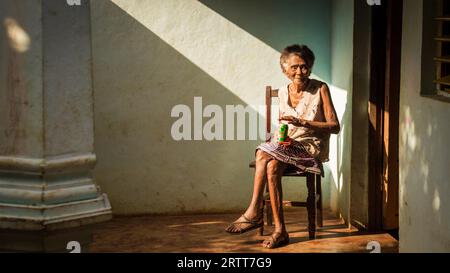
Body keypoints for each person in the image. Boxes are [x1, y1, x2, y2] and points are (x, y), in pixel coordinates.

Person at [225, 44, 340, 249]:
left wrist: (305, 123)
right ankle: (280, 231)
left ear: (310, 68)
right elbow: (285, 128)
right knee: (271, 165)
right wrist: (284, 137)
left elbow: (334, 126)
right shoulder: (283, 92)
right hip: (287, 145)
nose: (299, 72)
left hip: (310, 146)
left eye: (304, 67)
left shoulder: (320, 88)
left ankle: (253, 211)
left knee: (262, 152)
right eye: (294, 67)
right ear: (284, 70)